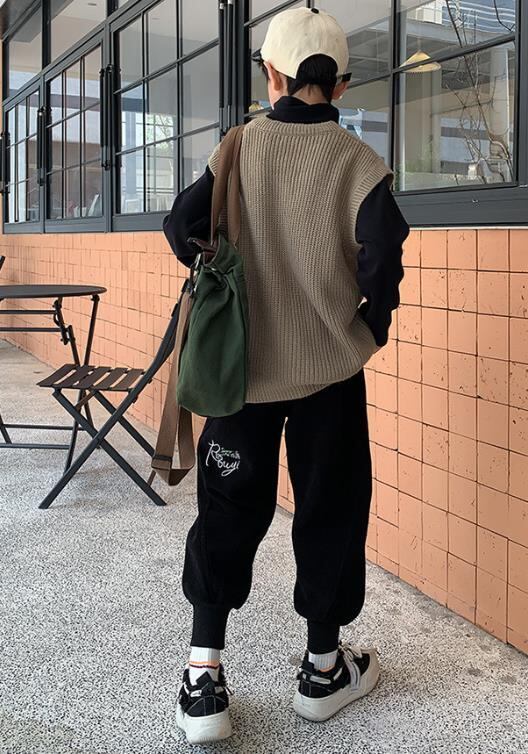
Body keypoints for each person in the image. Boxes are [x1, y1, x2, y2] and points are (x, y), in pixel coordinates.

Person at [163, 6, 409, 745]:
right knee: (331, 508)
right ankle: (323, 669)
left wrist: (226, 265)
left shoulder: (239, 146)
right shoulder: (359, 162)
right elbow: (383, 256)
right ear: (341, 84)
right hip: (330, 373)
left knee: (227, 508)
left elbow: (180, 225)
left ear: (270, 74)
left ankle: (204, 677)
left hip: (241, 370)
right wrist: (369, 327)